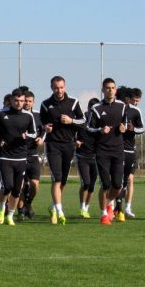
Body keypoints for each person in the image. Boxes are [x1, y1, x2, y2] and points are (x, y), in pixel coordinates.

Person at [40, 76, 85, 225]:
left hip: (69, 145)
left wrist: (71, 121)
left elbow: (83, 121)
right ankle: (60, 211)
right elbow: (40, 123)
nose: (59, 90)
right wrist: (45, 128)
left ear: (65, 87)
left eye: (61, 87)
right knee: (56, 178)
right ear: (51, 87)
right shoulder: (46, 104)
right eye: (56, 87)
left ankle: (53, 207)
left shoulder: (73, 102)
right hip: (53, 145)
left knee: (63, 181)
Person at [0, 88, 36, 226]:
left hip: (21, 157)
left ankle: (10, 215)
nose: (19, 103)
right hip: (5, 157)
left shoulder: (28, 116)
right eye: (16, 100)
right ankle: (1, 209)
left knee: (17, 189)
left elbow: (34, 134)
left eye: (22, 101)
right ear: (11, 100)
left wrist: (26, 136)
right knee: (7, 186)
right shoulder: (1, 114)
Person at [87, 78, 127, 225]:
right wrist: (100, 130)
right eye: (107, 88)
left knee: (117, 185)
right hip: (102, 151)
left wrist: (124, 127)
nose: (110, 90)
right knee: (105, 184)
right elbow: (88, 128)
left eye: (112, 88)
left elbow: (126, 121)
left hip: (118, 150)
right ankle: (104, 214)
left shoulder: (122, 106)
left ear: (115, 90)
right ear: (103, 90)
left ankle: (109, 203)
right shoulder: (96, 108)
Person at [114, 86, 144, 221]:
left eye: (138, 101)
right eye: (133, 100)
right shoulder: (114, 110)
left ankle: (126, 208)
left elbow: (141, 129)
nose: (134, 103)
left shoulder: (135, 112)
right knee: (115, 181)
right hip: (114, 149)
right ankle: (111, 207)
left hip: (130, 150)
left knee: (128, 179)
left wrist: (133, 129)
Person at [17, 89, 44, 221]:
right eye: (25, 101)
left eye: (30, 101)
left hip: (33, 154)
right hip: (19, 154)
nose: (27, 103)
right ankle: (20, 210)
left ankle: (29, 203)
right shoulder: (18, 115)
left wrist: (41, 138)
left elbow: (44, 130)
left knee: (34, 185)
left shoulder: (38, 115)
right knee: (21, 185)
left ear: (33, 102)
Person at [75, 98, 99, 219]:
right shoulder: (82, 121)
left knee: (92, 186)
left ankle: (87, 208)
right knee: (86, 183)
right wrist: (76, 141)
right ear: (88, 108)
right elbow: (72, 133)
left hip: (95, 157)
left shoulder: (99, 122)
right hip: (82, 156)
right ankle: (82, 207)